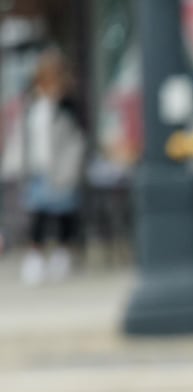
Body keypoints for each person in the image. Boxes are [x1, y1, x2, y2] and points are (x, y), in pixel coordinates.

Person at [0, 49, 85, 286]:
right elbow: (22, 136)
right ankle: (36, 257)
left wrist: (71, 169)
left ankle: (62, 255)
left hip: (61, 168)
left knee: (62, 212)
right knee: (38, 213)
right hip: (37, 167)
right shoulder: (31, 103)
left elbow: (77, 140)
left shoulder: (68, 104)